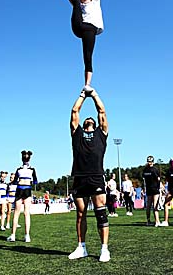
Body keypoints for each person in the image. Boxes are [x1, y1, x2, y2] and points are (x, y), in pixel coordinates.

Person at [68, 86, 110, 262]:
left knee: (101, 213)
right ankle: (81, 247)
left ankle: (104, 249)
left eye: (92, 120)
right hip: (80, 177)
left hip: (96, 177)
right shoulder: (77, 134)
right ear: (84, 125)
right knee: (80, 214)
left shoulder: (102, 134)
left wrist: (93, 94)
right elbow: (74, 110)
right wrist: (82, 95)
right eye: (87, 121)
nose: (89, 121)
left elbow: (102, 110)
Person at [65, 0, 104, 91]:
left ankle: (87, 84)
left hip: (90, 30)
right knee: (75, 5)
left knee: (87, 56)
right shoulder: (80, 5)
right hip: (78, 27)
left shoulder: (95, 2)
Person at [7, 150, 37, 243]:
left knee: (16, 213)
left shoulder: (18, 169)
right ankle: (27, 235)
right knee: (27, 213)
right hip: (27, 189)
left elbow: (15, 181)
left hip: (19, 189)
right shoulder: (32, 170)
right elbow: (35, 181)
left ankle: (13, 235)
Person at [142, 156, 161, 227]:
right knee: (155, 205)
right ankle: (157, 221)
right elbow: (158, 179)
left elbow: (143, 178)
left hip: (148, 189)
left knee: (149, 206)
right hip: (155, 188)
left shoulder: (145, 170)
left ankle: (148, 220)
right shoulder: (155, 169)